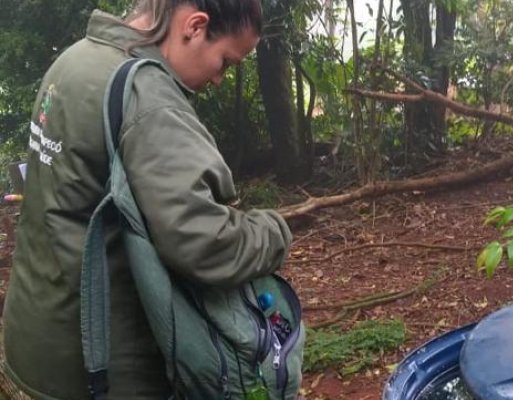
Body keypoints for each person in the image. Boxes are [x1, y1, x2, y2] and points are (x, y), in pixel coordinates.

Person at [2, 1, 294, 398]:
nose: (220, 79)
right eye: (225, 61)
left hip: (32, 346)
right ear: (194, 26)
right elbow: (204, 244)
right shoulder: (148, 95)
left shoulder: (74, 62)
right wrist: (275, 232)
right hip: (101, 370)